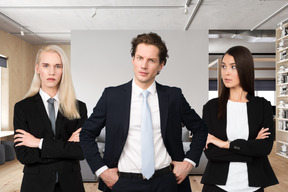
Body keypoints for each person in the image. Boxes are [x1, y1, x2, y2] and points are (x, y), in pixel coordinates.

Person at [80, 32, 208, 192]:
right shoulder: (111, 96)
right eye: (140, 58)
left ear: (161, 65)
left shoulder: (173, 96)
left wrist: (189, 162)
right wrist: (102, 171)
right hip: (122, 183)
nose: (143, 65)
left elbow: (200, 128)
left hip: (167, 182)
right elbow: (86, 134)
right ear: (133, 59)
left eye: (151, 60)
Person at [201, 46, 278, 192]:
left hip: (253, 187)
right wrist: (251, 149)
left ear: (245, 69)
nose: (226, 72)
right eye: (223, 66)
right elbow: (211, 152)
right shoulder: (211, 107)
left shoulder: (262, 106)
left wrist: (225, 144)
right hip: (217, 186)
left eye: (233, 67)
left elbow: (265, 148)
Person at [13, 45, 87, 192]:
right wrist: (66, 147)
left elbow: (80, 151)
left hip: (71, 185)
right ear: (37, 68)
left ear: (63, 70)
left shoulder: (79, 107)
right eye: (46, 65)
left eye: (58, 66)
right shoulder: (22, 108)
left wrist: (38, 143)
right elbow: (24, 155)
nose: (52, 72)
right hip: (35, 185)